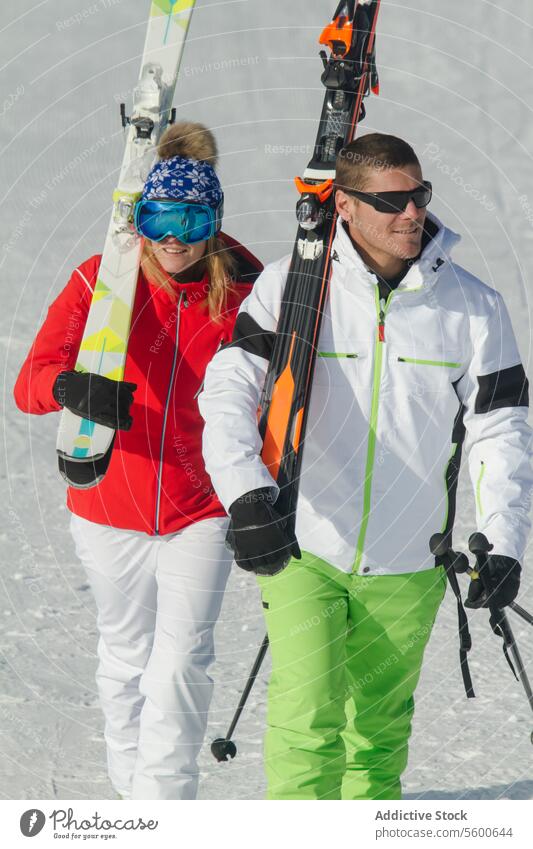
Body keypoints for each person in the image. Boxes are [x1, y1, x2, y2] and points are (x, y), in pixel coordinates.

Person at [199, 132, 533, 800]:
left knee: (376, 740)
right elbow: (227, 390)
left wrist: (502, 543)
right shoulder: (291, 287)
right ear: (344, 206)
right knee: (305, 724)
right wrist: (244, 495)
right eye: (391, 200)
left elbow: (503, 431)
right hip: (306, 547)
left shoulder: (472, 307)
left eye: (419, 194)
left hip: (409, 561)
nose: (412, 212)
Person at [13, 121, 262, 800]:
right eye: (157, 216)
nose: (173, 236)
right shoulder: (103, 280)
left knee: (181, 662)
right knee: (125, 658)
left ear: (213, 221)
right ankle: (131, 797)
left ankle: (164, 807)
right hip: (107, 505)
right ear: (138, 218)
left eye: (190, 218)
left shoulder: (247, 290)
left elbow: (281, 397)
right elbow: (29, 383)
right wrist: (68, 386)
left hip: (200, 508)